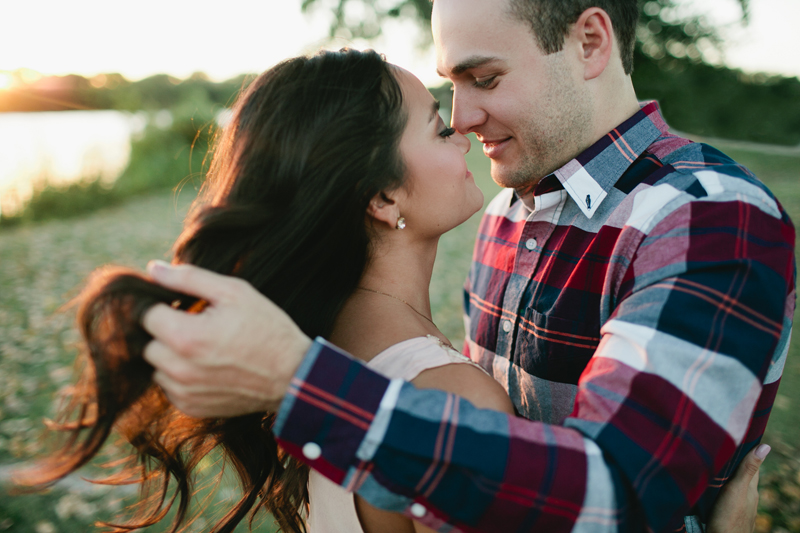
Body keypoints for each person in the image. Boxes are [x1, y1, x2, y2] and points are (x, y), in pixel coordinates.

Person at [139, 0, 796, 532]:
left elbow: (619, 493)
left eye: (484, 79)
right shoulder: (508, 212)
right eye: (450, 87)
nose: (463, 117)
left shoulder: (709, 215)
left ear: (592, 42)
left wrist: (303, 384)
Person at [18, 48, 512, 533]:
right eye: (439, 128)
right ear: (383, 196)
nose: (463, 136)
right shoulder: (455, 402)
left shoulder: (313, 351)